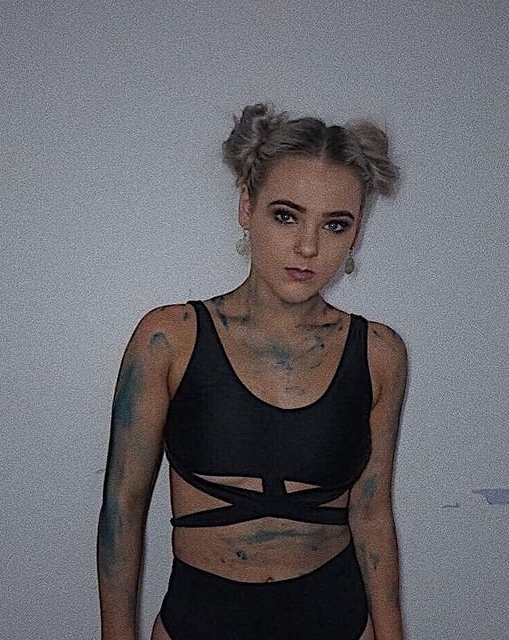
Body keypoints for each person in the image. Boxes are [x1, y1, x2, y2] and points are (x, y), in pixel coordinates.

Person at [97, 103, 407, 640]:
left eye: (335, 225)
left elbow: (372, 513)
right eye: (286, 216)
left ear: (356, 234)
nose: (308, 247)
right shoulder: (168, 339)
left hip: (337, 620)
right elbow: (122, 511)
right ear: (247, 207)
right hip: (200, 622)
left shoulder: (379, 352)